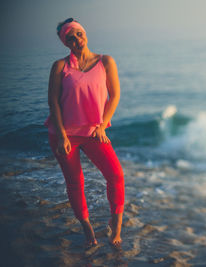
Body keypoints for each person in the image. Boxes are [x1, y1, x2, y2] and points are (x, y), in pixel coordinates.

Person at [44, 18, 125, 248]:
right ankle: (87, 227)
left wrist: (102, 125)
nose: (77, 39)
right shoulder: (60, 67)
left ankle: (116, 222)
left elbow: (115, 96)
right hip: (64, 134)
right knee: (75, 182)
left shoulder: (105, 61)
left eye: (79, 34)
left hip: (93, 132)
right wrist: (60, 135)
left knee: (116, 175)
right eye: (71, 38)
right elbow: (53, 103)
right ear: (65, 43)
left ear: (85, 33)